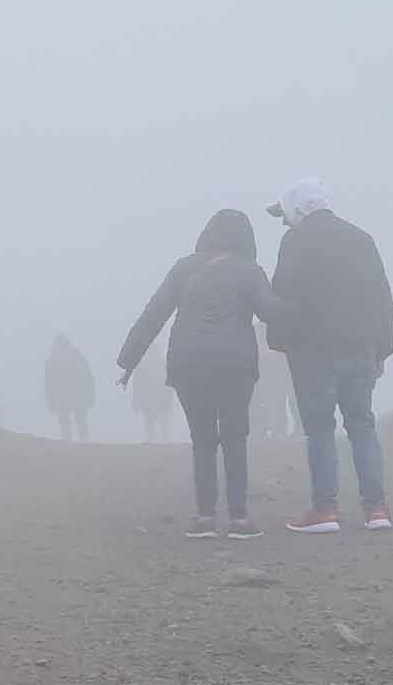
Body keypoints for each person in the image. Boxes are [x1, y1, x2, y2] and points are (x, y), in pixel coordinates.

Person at [117, 210, 287, 540]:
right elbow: (270, 311)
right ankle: (239, 518)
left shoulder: (184, 267)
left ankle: (205, 517)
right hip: (235, 365)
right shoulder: (250, 271)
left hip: (188, 364)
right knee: (236, 438)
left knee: (203, 440)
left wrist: (129, 360)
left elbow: (155, 313)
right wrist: (301, 312)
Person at [266, 177, 393, 533]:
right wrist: (383, 349)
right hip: (361, 349)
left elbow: (284, 295)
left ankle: (325, 510)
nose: (283, 221)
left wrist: (278, 341)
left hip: (314, 352)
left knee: (320, 428)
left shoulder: (295, 241)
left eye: (285, 213)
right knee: (362, 425)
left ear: (297, 208)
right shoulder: (361, 238)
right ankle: (377, 510)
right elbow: (383, 298)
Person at [45, 334, 96, 442]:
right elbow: (87, 377)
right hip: (75, 397)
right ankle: (83, 445)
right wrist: (90, 396)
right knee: (79, 424)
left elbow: (49, 384)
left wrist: (51, 402)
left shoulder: (53, 359)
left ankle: (71, 445)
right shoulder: (76, 355)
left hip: (65, 398)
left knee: (68, 425)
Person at [251, 324, 296, 440]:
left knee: (267, 401)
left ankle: (261, 431)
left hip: (266, 369)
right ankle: (278, 431)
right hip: (277, 368)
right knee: (278, 401)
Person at [130, 342, 175, 442]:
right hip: (159, 401)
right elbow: (170, 383)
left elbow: (137, 385)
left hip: (153, 401)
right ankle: (163, 444)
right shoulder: (162, 364)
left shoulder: (144, 365)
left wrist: (136, 401)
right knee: (159, 426)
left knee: (152, 425)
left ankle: (154, 444)